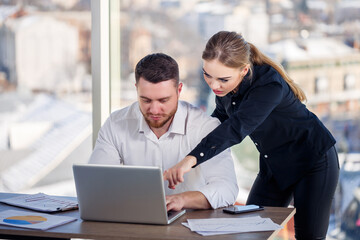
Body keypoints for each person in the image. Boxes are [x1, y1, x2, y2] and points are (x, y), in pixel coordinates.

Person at [163, 31, 340, 239]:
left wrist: (191, 160)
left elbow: (235, 128)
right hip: (274, 165)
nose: (214, 85)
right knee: (250, 230)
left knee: (308, 237)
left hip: (314, 161)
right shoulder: (226, 89)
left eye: (222, 79)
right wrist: (180, 142)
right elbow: (215, 124)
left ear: (244, 70)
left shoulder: (269, 85)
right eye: (207, 75)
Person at [89, 53, 238, 212]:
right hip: (134, 222)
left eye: (163, 100)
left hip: (190, 226)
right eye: (146, 100)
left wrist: (181, 200)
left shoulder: (205, 127)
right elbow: (95, 183)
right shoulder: (116, 124)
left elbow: (227, 188)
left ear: (179, 90)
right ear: (136, 89)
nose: (154, 110)